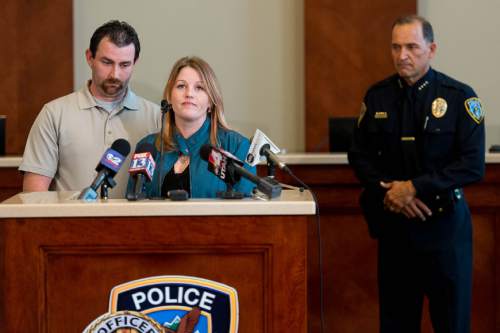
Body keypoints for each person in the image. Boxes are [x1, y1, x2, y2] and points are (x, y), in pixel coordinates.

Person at [348, 15, 485, 333]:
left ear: (432, 49)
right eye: (395, 47)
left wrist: (414, 188)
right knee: (396, 323)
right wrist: (391, 193)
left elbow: (472, 164)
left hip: (445, 229)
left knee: (451, 323)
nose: (402, 55)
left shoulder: (459, 97)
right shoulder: (377, 96)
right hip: (396, 231)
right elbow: (359, 155)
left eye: (411, 47)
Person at [19, 20, 161, 198]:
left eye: (124, 65)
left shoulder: (156, 117)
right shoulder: (54, 114)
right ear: (89, 57)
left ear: (135, 62)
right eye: (107, 62)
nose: (115, 74)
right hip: (69, 224)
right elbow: (34, 195)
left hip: (139, 224)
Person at [129, 56, 255, 198]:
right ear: (170, 97)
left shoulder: (236, 146)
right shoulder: (148, 147)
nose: (189, 94)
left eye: (199, 88)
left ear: (211, 102)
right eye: (181, 86)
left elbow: (247, 210)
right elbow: (134, 206)